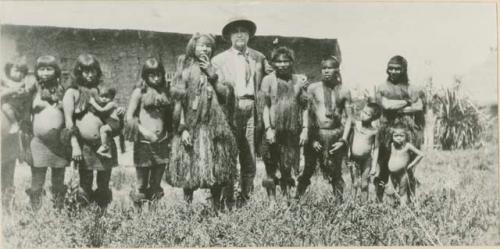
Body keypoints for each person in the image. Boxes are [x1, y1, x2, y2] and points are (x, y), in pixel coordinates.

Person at [167, 33, 238, 210]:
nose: (205, 49)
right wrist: (182, 128)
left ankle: (215, 206)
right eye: (201, 46)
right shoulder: (185, 72)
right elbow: (179, 104)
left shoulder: (218, 70)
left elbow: (226, 96)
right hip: (192, 128)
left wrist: (212, 76)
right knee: (189, 167)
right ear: (193, 47)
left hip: (214, 128)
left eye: (208, 46)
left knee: (216, 168)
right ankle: (187, 206)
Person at [212, 18, 267, 206]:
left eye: (244, 31)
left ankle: (246, 198)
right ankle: (227, 200)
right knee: (229, 153)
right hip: (230, 110)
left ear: (250, 35)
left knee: (249, 154)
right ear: (229, 36)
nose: (240, 35)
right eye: (235, 31)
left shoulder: (259, 57)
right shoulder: (218, 60)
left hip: (251, 108)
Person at [62, 54, 119, 209]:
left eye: (93, 70)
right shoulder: (72, 93)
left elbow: (111, 113)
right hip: (84, 146)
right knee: (85, 181)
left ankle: (101, 213)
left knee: (104, 181)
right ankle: (82, 214)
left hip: (104, 145)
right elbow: (69, 121)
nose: (89, 74)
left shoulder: (102, 90)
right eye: (85, 71)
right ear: (78, 72)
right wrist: (75, 145)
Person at [295, 56, 352, 204]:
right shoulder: (313, 88)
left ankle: (339, 203)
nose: (326, 71)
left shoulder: (344, 90)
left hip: (335, 136)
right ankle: (297, 199)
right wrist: (312, 138)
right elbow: (308, 113)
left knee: (336, 171)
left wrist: (343, 140)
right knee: (308, 168)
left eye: (330, 68)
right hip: (316, 134)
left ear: (337, 70)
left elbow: (350, 118)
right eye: (324, 68)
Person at [372, 55, 425, 202]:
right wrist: (407, 102)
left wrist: (399, 108)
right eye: (391, 68)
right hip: (386, 132)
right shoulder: (382, 87)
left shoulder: (412, 88)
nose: (393, 71)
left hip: (406, 132)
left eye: (397, 68)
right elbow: (386, 105)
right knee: (383, 166)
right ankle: (378, 200)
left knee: (407, 168)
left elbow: (419, 106)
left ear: (404, 70)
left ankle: (410, 200)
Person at [260, 46, 308, 198]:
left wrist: (305, 129)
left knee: (287, 168)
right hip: (273, 130)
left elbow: (304, 106)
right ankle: (272, 202)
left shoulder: (298, 80)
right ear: (273, 63)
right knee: (270, 167)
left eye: (286, 61)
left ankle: (287, 199)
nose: (282, 64)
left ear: (291, 62)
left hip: (292, 131)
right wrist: (268, 129)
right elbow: (265, 107)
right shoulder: (267, 80)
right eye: (278, 61)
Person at [124, 58, 172, 208]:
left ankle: (153, 214)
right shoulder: (139, 92)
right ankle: (138, 215)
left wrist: (168, 135)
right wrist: (144, 132)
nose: (156, 78)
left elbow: (169, 116)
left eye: (159, 75)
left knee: (156, 182)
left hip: (161, 142)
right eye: (152, 75)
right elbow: (129, 117)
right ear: (145, 76)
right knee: (141, 183)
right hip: (144, 144)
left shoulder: (165, 92)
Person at [26, 55, 69, 210]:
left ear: (55, 71)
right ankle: (34, 211)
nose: (45, 72)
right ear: (37, 71)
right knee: (37, 179)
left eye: (49, 69)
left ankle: (59, 209)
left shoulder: (62, 90)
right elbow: (25, 110)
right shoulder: (33, 90)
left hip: (59, 144)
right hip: (39, 143)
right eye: (41, 69)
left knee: (58, 180)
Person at [347, 103, 381, 202]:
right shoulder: (356, 124)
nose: (363, 114)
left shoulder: (374, 131)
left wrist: (374, 166)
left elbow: (376, 148)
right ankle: (351, 204)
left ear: (373, 118)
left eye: (367, 114)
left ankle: (363, 205)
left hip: (366, 160)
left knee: (364, 183)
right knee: (354, 183)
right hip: (353, 159)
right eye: (363, 111)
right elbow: (348, 118)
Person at [385, 123, 424, 205]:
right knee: (389, 191)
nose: (398, 138)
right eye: (396, 136)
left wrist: (412, 164)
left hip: (403, 174)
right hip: (391, 174)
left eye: (401, 136)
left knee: (403, 192)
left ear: (406, 136)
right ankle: (389, 209)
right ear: (392, 137)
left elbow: (421, 154)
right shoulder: (392, 145)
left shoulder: (407, 146)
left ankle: (403, 210)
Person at [88, 85, 123, 158]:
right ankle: (107, 150)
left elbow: (102, 110)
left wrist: (93, 102)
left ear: (112, 97)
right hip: (112, 122)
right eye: (102, 96)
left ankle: (104, 147)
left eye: (107, 97)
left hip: (115, 122)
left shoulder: (111, 104)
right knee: (105, 133)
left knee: (103, 129)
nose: (104, 98)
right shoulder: (106, 103)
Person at [1, 57, 30, 134]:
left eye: (22, 71)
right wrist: (12, 91)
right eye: (16, 71)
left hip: (22, 105)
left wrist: (25, 92)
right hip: (11, 105)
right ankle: (14, 123)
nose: (19, 74)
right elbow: (3, 93)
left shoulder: (23, 82)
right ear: (8, 71)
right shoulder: (7, 82)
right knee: (5, 106)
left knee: (28, 106)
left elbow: (27, 91)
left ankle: (26, 123)